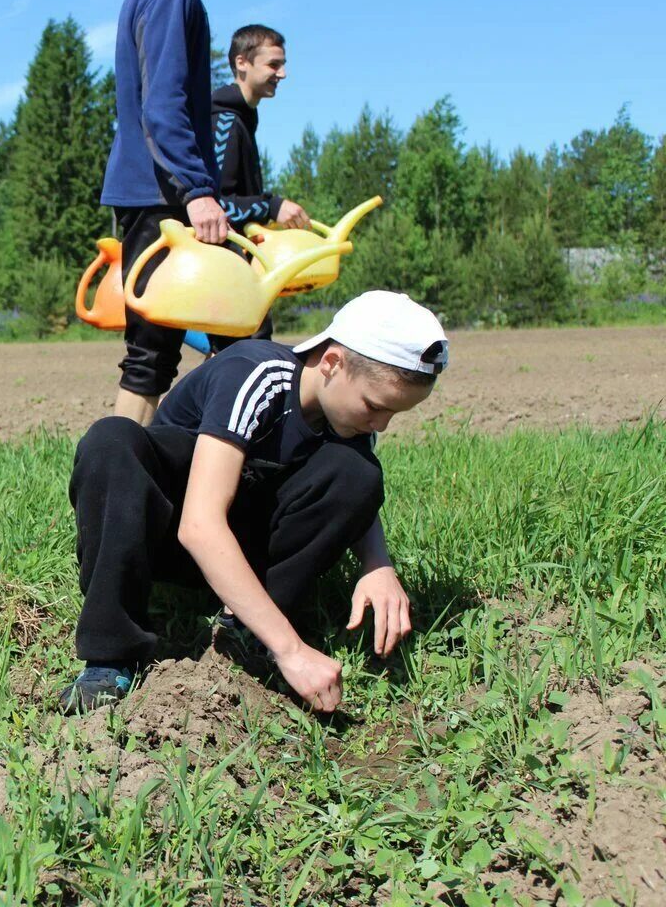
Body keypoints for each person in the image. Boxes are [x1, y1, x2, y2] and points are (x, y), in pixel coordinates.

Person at [60, 291, 449, 714]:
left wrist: (378, 567)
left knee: (358, 471)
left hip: (241, 547)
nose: (382, 425)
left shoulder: (347, 418)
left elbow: (358, 490)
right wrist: (292, 651)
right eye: (376, 407)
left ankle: (245, 632)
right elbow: (199, 525)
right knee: (112, 439)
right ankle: (111, 656)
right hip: (164, 535)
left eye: (393, 414)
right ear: (333, 364)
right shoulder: (256, 374)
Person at [102, 0, 230, 427]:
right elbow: (162, 104)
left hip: (158, 192)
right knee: (153, 354)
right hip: (164, 196)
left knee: (170, 349)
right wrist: (197, 190)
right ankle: (120, 482)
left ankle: (188, 467)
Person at [206, 23, 313, 352]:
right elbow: (215, 205)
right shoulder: (224, 120)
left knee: (237, 352)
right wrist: (271, 205)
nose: (282, 74)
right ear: (242, 63)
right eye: (273, 64)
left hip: (239, 263)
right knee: (245, 351)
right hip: (223, 265)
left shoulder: (242, 118)